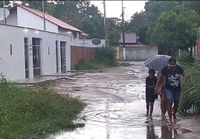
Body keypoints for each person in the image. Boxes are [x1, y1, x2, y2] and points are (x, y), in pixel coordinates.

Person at [155, 57, 188, 125]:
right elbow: (160, 78)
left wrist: (184, 81)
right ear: (168, 64)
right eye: (171, 66)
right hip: (168, 88)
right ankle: (170, 119)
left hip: (177, 89)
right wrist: (157, 87)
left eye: (173, 66)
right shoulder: (164, 69)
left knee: (176, 103)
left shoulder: (179, 68)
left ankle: (174, 114)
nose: (172, 67)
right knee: (169, 101)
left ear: (175, 64)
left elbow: (186, 75)